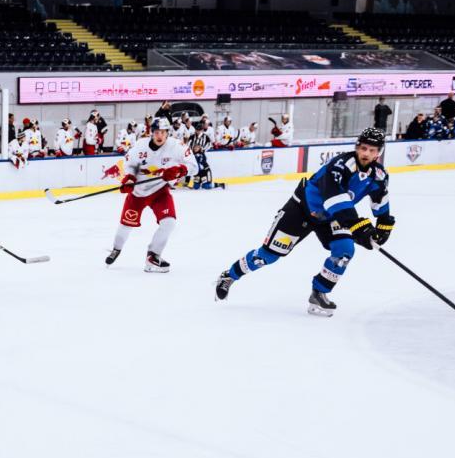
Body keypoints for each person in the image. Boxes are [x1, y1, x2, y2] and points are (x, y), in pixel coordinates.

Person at [213, 127, 391, 317]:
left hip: (331, 218)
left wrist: (383, 226)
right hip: (301, 210)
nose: (366, 154)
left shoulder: (379, 175)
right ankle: (229, 276)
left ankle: (319, 293)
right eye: (363, 148)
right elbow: (334, 198)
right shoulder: (339, 165)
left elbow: (380, 200)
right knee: (267, 256)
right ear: (357, 147)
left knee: (345, 250)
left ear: (378, 153)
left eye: (372, 150)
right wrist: (357, 225)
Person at [104, 117, 195, 273]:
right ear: (151, 133)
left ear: (168, 133)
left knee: (169, 222)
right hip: (138, 193)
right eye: (157, 132)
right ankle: (116, 249)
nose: (160, 136)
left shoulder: (177, 146)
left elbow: (194, 166)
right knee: (126, 225)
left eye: (163, 132)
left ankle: (153, 256)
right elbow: (129, 165)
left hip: (160, 191)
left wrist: (180, 170)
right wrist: (130, 178)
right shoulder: (140, 146)